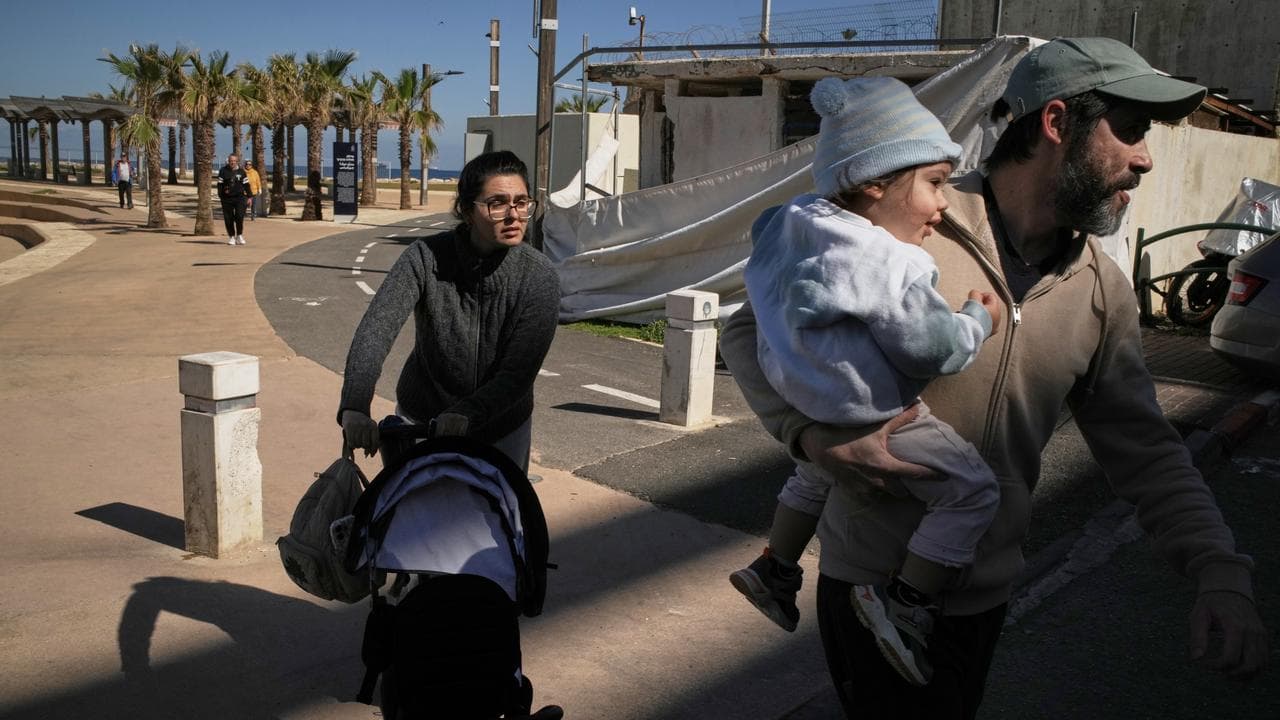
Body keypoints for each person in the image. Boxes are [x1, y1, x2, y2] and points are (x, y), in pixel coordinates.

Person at [719, 37, 1268, 719]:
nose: (1144, 158)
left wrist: (1219, 566)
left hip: (980, 599)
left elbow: (1147, 449)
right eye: (1129, 129)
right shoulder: (908, 216)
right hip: (863, 583)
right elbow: (748, 329)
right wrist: (806, 434)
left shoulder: (1102, 292)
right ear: (1057, 122)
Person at [728, 77, 1002, 688]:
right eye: (933, 182)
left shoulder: (787, 223)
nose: (944, 203)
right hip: (874, 413)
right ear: (875, 181)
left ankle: (774, 566)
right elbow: (933, 349)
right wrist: (977, 319)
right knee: (973, 491)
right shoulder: (890, 260)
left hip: (807, 401)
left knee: (815, 471)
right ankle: (907, 603)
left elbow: (752, 293)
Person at [337, 150, 560, 475]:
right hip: (422, 420)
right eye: (497, 203)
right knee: (414, 513)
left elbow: (518, 372)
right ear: (467, 211)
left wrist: (469, 412)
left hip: (503, 427)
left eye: (522, 202)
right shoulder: (424, 258)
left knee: (501, 518)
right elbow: (376, 331)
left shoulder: (539, 275)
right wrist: (355, 406)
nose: (514, 215)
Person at [217, 153, 250, 245]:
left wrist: (250, 197)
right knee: (228, 219)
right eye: (231, 161)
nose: (233, 162)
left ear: (237, 161)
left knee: (239, 217)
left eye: (234, 161)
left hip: (240, 198)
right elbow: (220, 184)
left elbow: (246, 185)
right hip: (227, 199)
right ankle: (231, 237)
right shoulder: (223, 171)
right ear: (228, 161)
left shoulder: (242, 172)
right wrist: (221, 196)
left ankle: (239, 235)